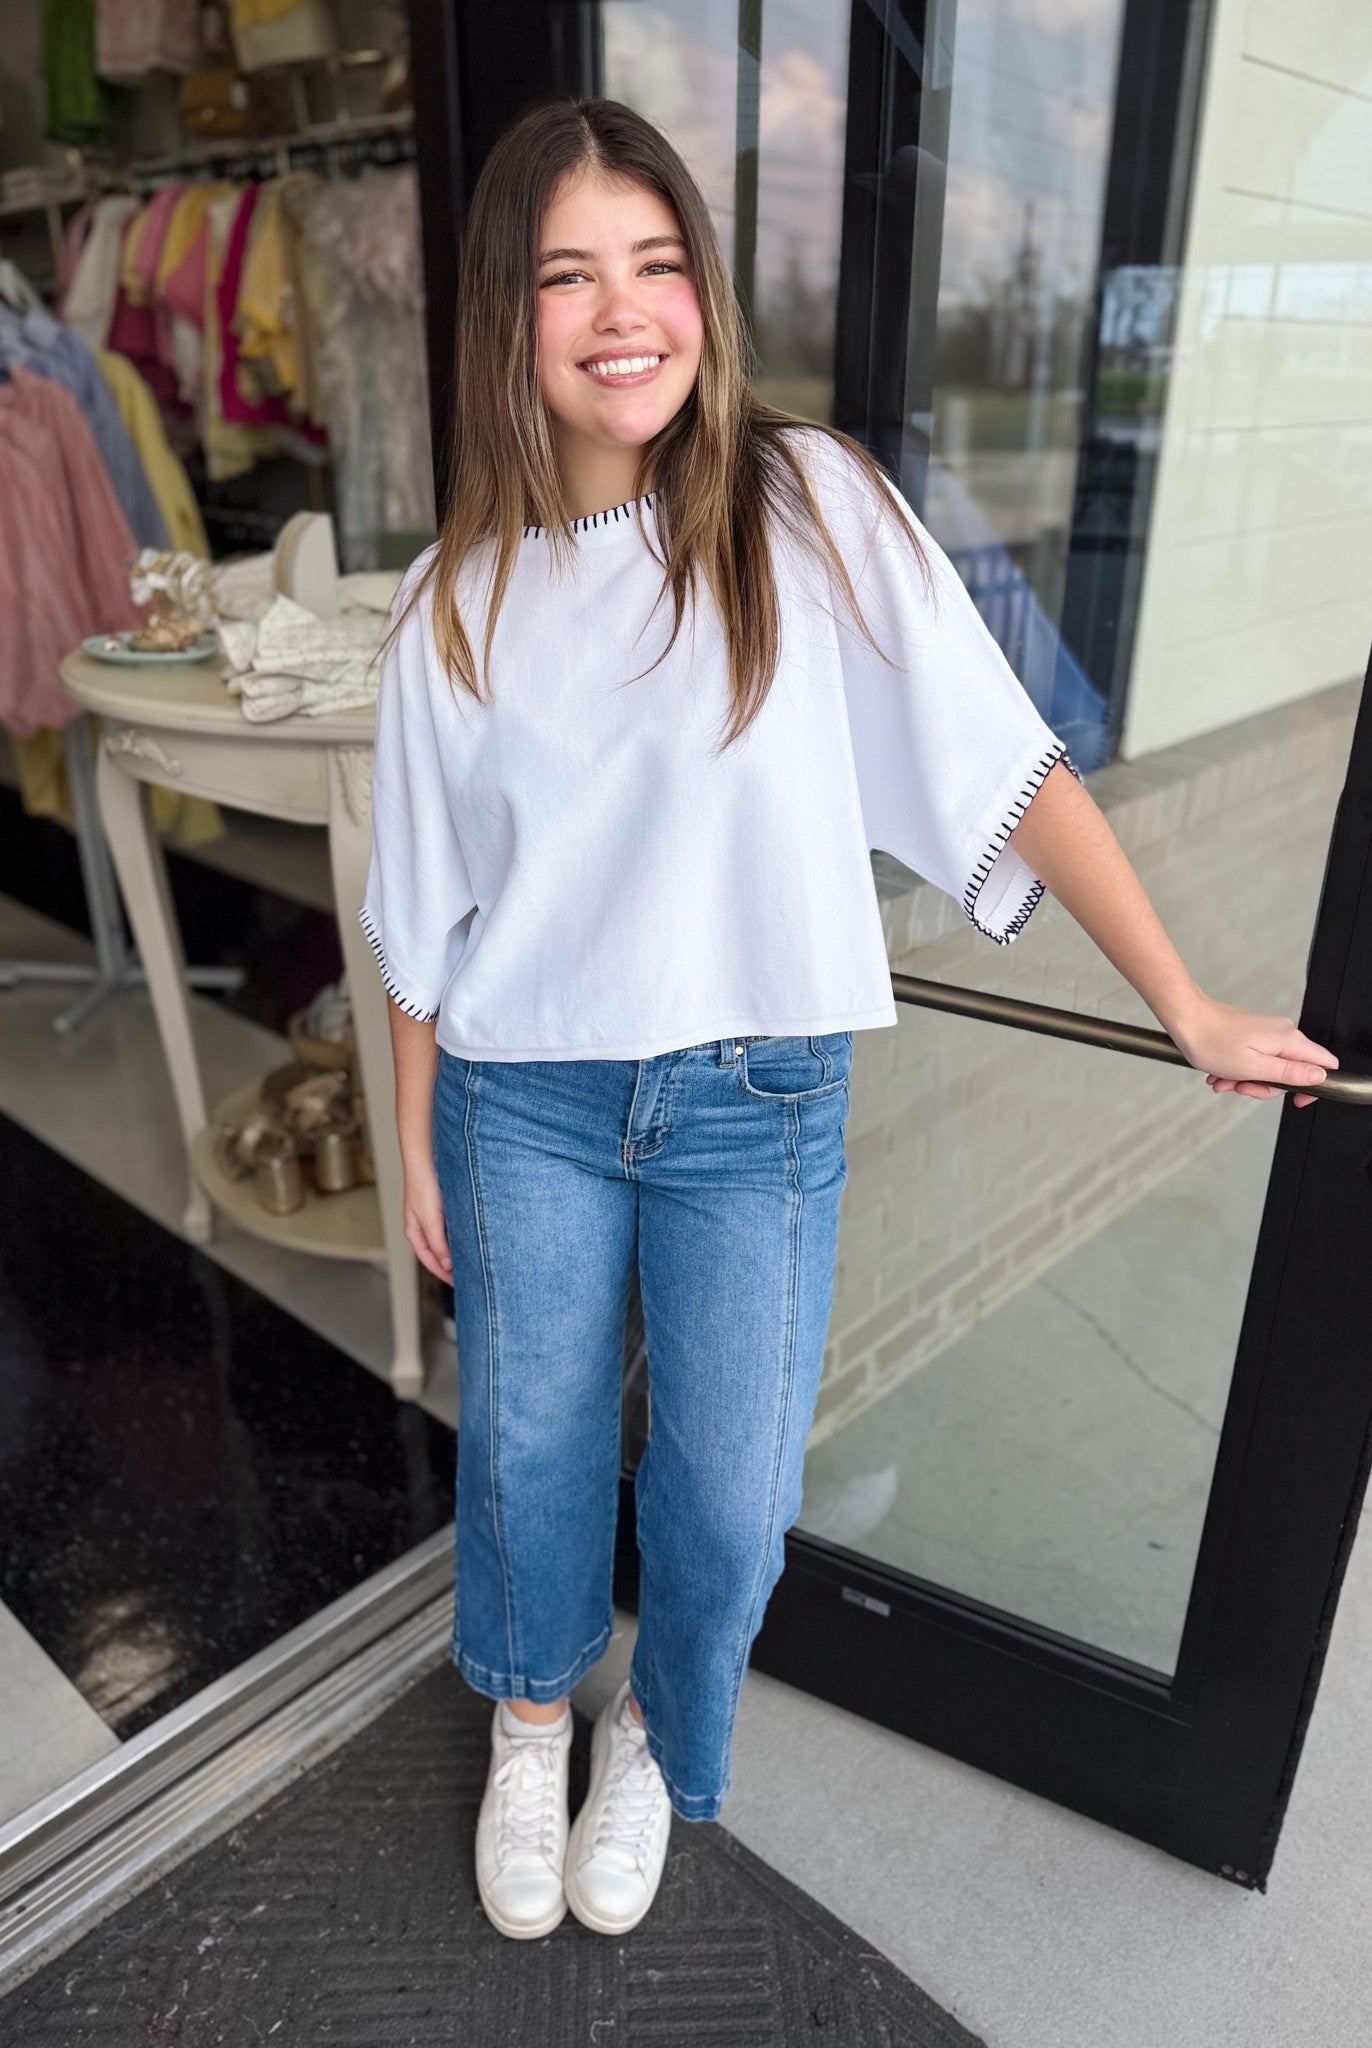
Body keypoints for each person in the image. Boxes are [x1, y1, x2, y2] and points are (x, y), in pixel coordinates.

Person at [359, 95, 1337, 1943]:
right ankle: (530, 1716)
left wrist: (1186, 999)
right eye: (568, 274)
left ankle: (659, 1732)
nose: (622, 310)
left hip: (755, 1100)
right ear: (508, 314)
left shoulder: (804, 508)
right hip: (522, 1102)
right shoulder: (449, 601)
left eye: (657, 263)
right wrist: (413, 1138)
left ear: (705, 294)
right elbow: (423, 913)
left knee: (729, 1495)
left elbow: (1002, 767)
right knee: (530, 1452)